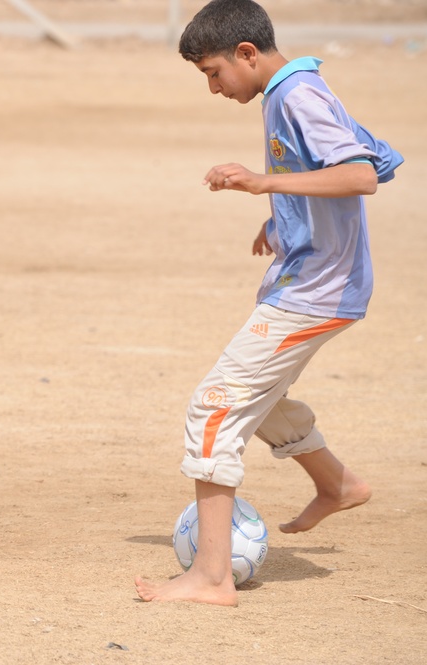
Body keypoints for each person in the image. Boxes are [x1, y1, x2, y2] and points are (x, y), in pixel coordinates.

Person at [135, 0, 403, 606]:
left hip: (316, 291)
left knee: (214, 407)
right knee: (265, 395)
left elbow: (360, 174)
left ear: (247, 54)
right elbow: (371, 159)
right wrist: (284, 218)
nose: (212, 88)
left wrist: (264, 181)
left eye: (212, 72)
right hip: (310, 280)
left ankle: (210, 577)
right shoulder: (294, 89)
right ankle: (337, 484)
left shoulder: (297, 95)